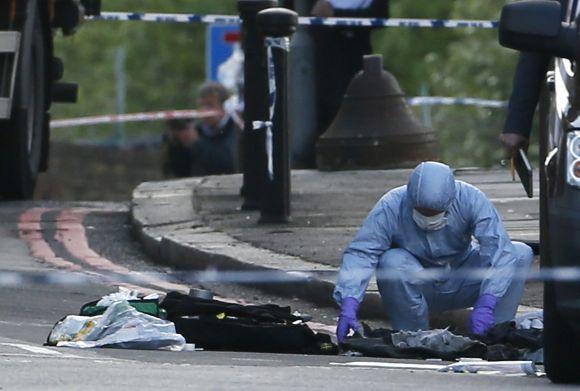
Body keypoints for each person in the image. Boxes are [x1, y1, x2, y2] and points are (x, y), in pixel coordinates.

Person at [334, 161, 534, 342]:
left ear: (451, 200)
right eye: (422, 212)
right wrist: (349, 302)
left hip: (462, 276)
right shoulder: (391, 205)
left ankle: (496, 333)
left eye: (437, 213)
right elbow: (362, 253)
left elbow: (498, 250)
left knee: (519, 254)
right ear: (410, 200)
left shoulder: (471, 198)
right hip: (417, 283)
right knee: (391, 261)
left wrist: (488, 300)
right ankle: (412, 337)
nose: (429, 219)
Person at [163, 82, 240, 178]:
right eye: (202, 105)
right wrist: (176, 144)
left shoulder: (237, 129)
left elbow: (228, 163)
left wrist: (196, 143)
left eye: (210, 105)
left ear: (224, 107)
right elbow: (180, 171)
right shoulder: (199, 131)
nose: (204, 110)